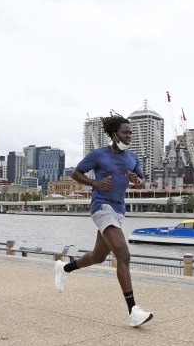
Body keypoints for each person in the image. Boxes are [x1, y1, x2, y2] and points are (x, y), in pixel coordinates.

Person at [54, 114, 154, 328]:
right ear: (113, 133)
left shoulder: (132, 158)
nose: (129, 136)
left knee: (98, 256)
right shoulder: (99, 155)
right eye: (125, 132)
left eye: (130, 133)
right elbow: (76, 173)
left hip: (118, 210)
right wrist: (95, 183)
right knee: (123, 254)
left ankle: (64, 269)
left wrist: (137, 181)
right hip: (101, 207)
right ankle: (133, 311)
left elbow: (142, 181)